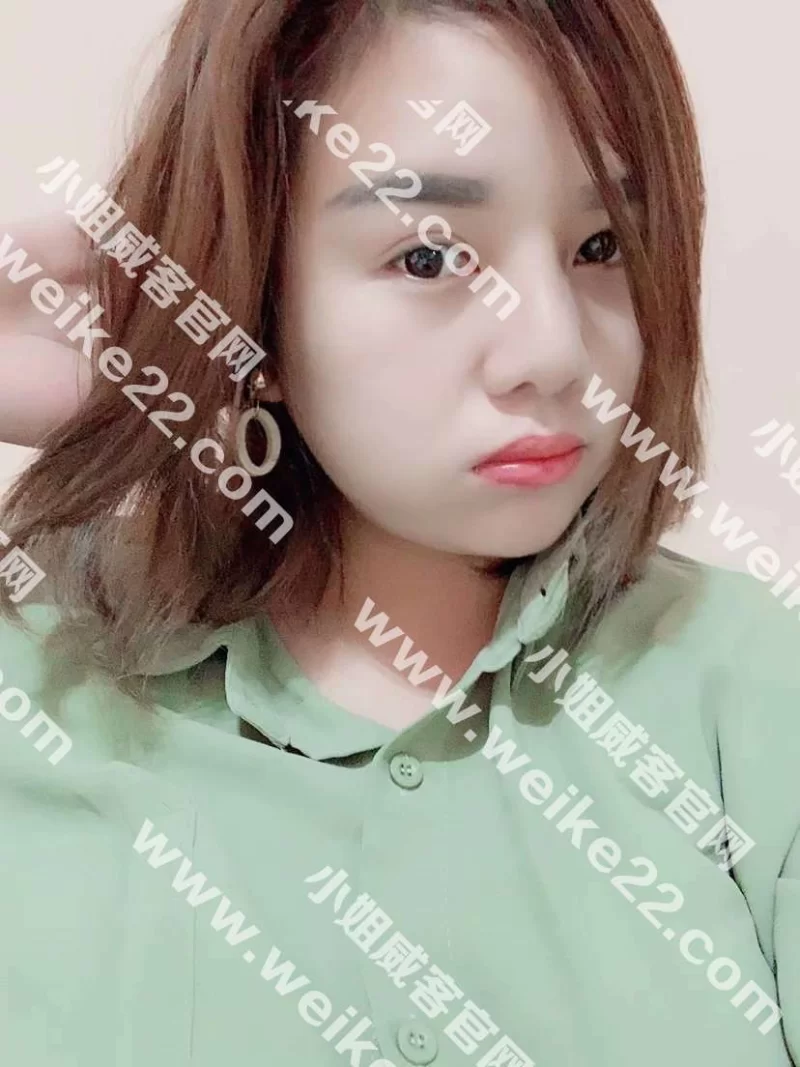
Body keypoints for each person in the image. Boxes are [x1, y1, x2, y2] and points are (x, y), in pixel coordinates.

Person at [0, 1, 797, 1065]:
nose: (553, 350)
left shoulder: (749, 692)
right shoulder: (41, 675)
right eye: (428, 258)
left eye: (600, 245)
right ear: (248, 289)